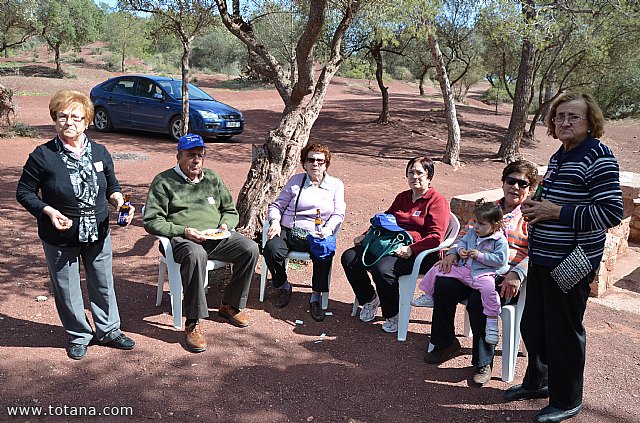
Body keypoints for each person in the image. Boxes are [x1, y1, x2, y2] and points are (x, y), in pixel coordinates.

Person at [505, 93, 623, 423]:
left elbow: (612, 212)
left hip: (572, 259)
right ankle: (538, 382)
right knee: (534, 324)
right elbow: (547, 195)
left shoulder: (598, 157)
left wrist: (556, 212)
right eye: (559, 117)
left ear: (590, 123)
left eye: (573, 117)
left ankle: (567, 399)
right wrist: (535, 207)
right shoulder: (560, 155)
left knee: (564, 330)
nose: (564, 122)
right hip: (542, 255)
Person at [16, 89, 136, 360]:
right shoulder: (42, 155)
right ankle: (79, 335)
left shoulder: (100, 152)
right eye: (62, 116)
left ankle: (109, 331)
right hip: (60, 236)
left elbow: (112, 186)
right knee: (67, 289)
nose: (69, 122)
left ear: (87, 121)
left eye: (75, 117)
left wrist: (119, 201)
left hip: (98, 231)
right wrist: (47, 210)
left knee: (103, 283)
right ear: (54, 119)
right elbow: (24, 192)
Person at [424, 160, 537, 387]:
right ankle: (445, 342)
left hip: (503, 276)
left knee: (478, 303)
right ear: (503, 182)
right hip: (471, 269)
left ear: (530, 189)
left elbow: (535, 253)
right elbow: (465, 235)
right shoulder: (487, 210)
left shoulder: (531, 216)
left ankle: (483, 362)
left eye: (522, 183)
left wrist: (517, 274)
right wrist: (453, 254)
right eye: (510, 181)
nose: (515, 187)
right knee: (444, 286)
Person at [143, 134, 259, 353]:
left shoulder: (212, 178)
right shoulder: (164, 181)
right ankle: (192, 323)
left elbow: (230, 210)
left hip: (215, 238)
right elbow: (151, 220)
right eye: (190, 155)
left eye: (199, 155)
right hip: (181, 240)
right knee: (196, 254)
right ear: (178, 157)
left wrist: (225, 225)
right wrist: (183, 231)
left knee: (250, 248)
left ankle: (230, 305)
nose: (196, 160)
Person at [341, 156, 450, 333]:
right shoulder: (403, 197)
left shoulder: (437, 201)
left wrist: (411, 249)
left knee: (382, 269)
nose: (414, 176)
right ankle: (369, 299)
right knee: (350, 257)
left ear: (429, 176)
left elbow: (436, 237)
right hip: (390, 245)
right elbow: (384, 220)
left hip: (421, 253)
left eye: (419, 173)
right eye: (411, 172)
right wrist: (365, 235)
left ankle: (392, 314)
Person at [264, 143, 345, 322]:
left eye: (320, 161)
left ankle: (316, 295)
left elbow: (338, 213)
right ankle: (284, 285)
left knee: (324, 252)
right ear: (304, 163)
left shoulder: (336, 185)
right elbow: (277, 205)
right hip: (289, 229)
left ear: (326, 164)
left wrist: (328, 229)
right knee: (272, 249)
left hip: (317, 233)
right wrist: (275, 222)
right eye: (311, 160)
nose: (315, 164)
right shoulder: (295, 181)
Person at [413, 199, 509, 345]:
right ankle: (428, 295)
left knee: (489, 291)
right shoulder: (472, 233)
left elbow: (500, 260)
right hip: (464, 269)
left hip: (483, 273)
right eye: (475, 222)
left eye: (481, 224)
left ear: (495, 225)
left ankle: (491, 322)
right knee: (438, 268)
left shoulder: (499, 240)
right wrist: (460, 250)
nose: (476, 227)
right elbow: (462, 242)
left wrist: (480, 256)